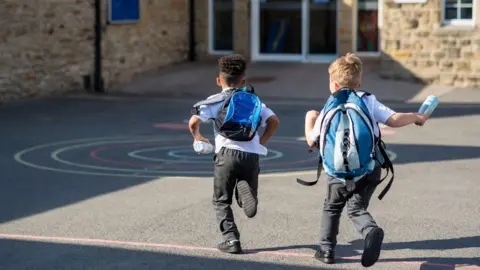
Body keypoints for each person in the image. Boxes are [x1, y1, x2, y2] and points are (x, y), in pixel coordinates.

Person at [304, 53, 428, 267]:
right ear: (359, 82)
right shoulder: (367, 100)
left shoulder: (328, 106)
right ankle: (370, 230)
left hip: (337, 172)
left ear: (333, 83)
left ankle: (326, 250)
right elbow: (393, 119)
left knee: (332, 207)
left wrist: (309, 119)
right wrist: (416, 116)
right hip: (368, 168)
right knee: (356, 208)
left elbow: (312, 141)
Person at [188, 54, 280, 254]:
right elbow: (274, 120)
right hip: (251, 155)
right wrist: (261, 142)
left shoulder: (215, 101)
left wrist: (198, 138)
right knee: (245, 196)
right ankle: (245, 190)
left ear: (219, 81)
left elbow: (193, 122)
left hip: (226, 155)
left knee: (221, 200)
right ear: (244, 81)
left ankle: (231, 240)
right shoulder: (255, 101)